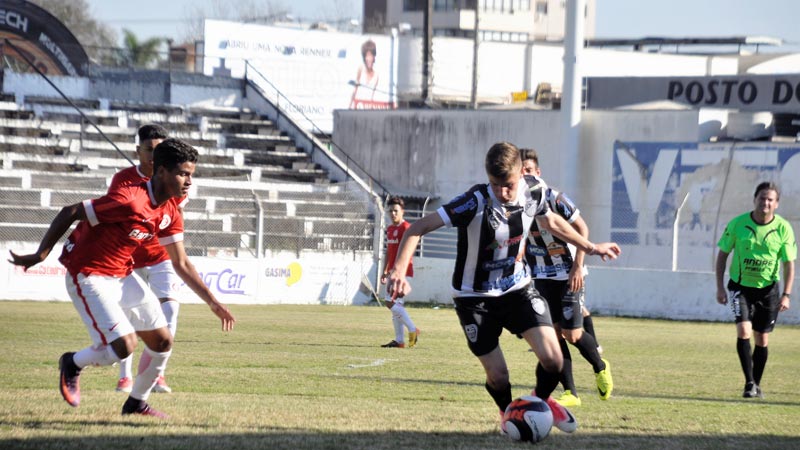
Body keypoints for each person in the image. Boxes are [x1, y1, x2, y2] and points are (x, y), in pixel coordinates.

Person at [387, 142, 621, 435]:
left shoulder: (534, 191)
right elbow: (417, 228)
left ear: (521, 174)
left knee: (553, 359)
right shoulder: (474, 201)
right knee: (498, 376)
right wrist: (399, 270)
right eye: (495, 185)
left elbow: (550, 221)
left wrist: (590, 247)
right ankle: (509, 412)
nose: (501, 192)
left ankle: (539, 402)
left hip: (516, 289)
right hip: (474, 298)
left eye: (508, 185)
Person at [9, 138, 236, 418]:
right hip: (89, 275)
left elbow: (181, 262)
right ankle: (72, 362)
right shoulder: (130, 199)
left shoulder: (170, 210)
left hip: (121, 275)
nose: (189, 181)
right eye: (183, 174)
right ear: (161, 171)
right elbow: (71, 211)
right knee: (123, 347)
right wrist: (40, 254)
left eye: (191, 174)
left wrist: (213, 303)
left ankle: (136, 403)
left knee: (163, 342)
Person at [521, 148, 612, 407]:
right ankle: (571, 392)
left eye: (529, 170)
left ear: (538, 172)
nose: (525, 175)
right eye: (521, 171)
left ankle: (600, 366)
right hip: (540, 275)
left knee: (572, 334)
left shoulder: (554, 198)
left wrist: (578, 267)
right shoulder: (516, 202)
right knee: (554, 335)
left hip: (568, 272)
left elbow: (582, 228)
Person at [113, 124, 185, 394]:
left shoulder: (176, 178)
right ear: (138, 150)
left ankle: (156, 374)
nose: (154, 156)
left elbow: (173, 216)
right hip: (129, 258)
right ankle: (125, 376)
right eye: (149, 149)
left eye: (160, 150)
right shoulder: (123, 180)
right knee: (130, 314)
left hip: (160, 255)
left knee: (170, 310)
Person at [715, 181, 795, 399]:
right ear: (754, 199)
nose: (765, 203)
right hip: (740, 287)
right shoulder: (737, 224)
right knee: (744, 331)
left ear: (776, 204)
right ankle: (749, 383)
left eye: (770, 199)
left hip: (769, 290)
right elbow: (722, 255)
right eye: (762, 198)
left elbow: (789, 264)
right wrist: (720, 287)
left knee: (762, 338)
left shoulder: (783, 228)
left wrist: (786, 294)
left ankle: (756, 384)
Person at [379, 196, 420, 348]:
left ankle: (412, 329)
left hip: (403, 273)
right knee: (396, 307)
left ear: (403, 211)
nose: (393, 214)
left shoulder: (406, 228)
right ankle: (399, 341)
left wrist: (400, 271)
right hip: (392, 273)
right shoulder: (390, 229)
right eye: (390, 211)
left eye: (396, 211)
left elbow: (410, 250)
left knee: (389, 302)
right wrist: (385, 271)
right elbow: (389, 252)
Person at [349, 39, 379, 109]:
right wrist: (350, 107)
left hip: (367, 108)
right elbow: (354, 90)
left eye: (370, 55)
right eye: (366, 56)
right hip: (356, 107)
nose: (368, 59)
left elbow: (373, 95)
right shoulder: (361, 69)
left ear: (374, 56)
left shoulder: (376, 75)